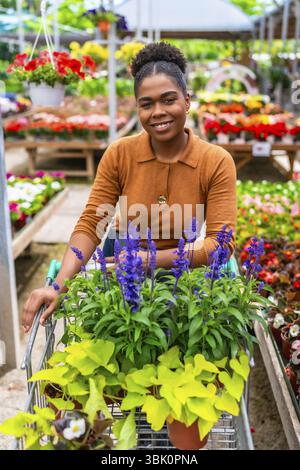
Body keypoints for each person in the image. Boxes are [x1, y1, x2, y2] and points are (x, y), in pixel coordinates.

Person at [22, 42, 237, 333]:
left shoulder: (215, 161)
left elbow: (220, 245)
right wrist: (59, 286)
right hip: (121, 265)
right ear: (138, 108)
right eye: (146, 104)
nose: (157, 112)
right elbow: (91, 225)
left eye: (168, 100)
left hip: (186, 273)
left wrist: (149, 260)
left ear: (187, 101)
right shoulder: (120, 153)